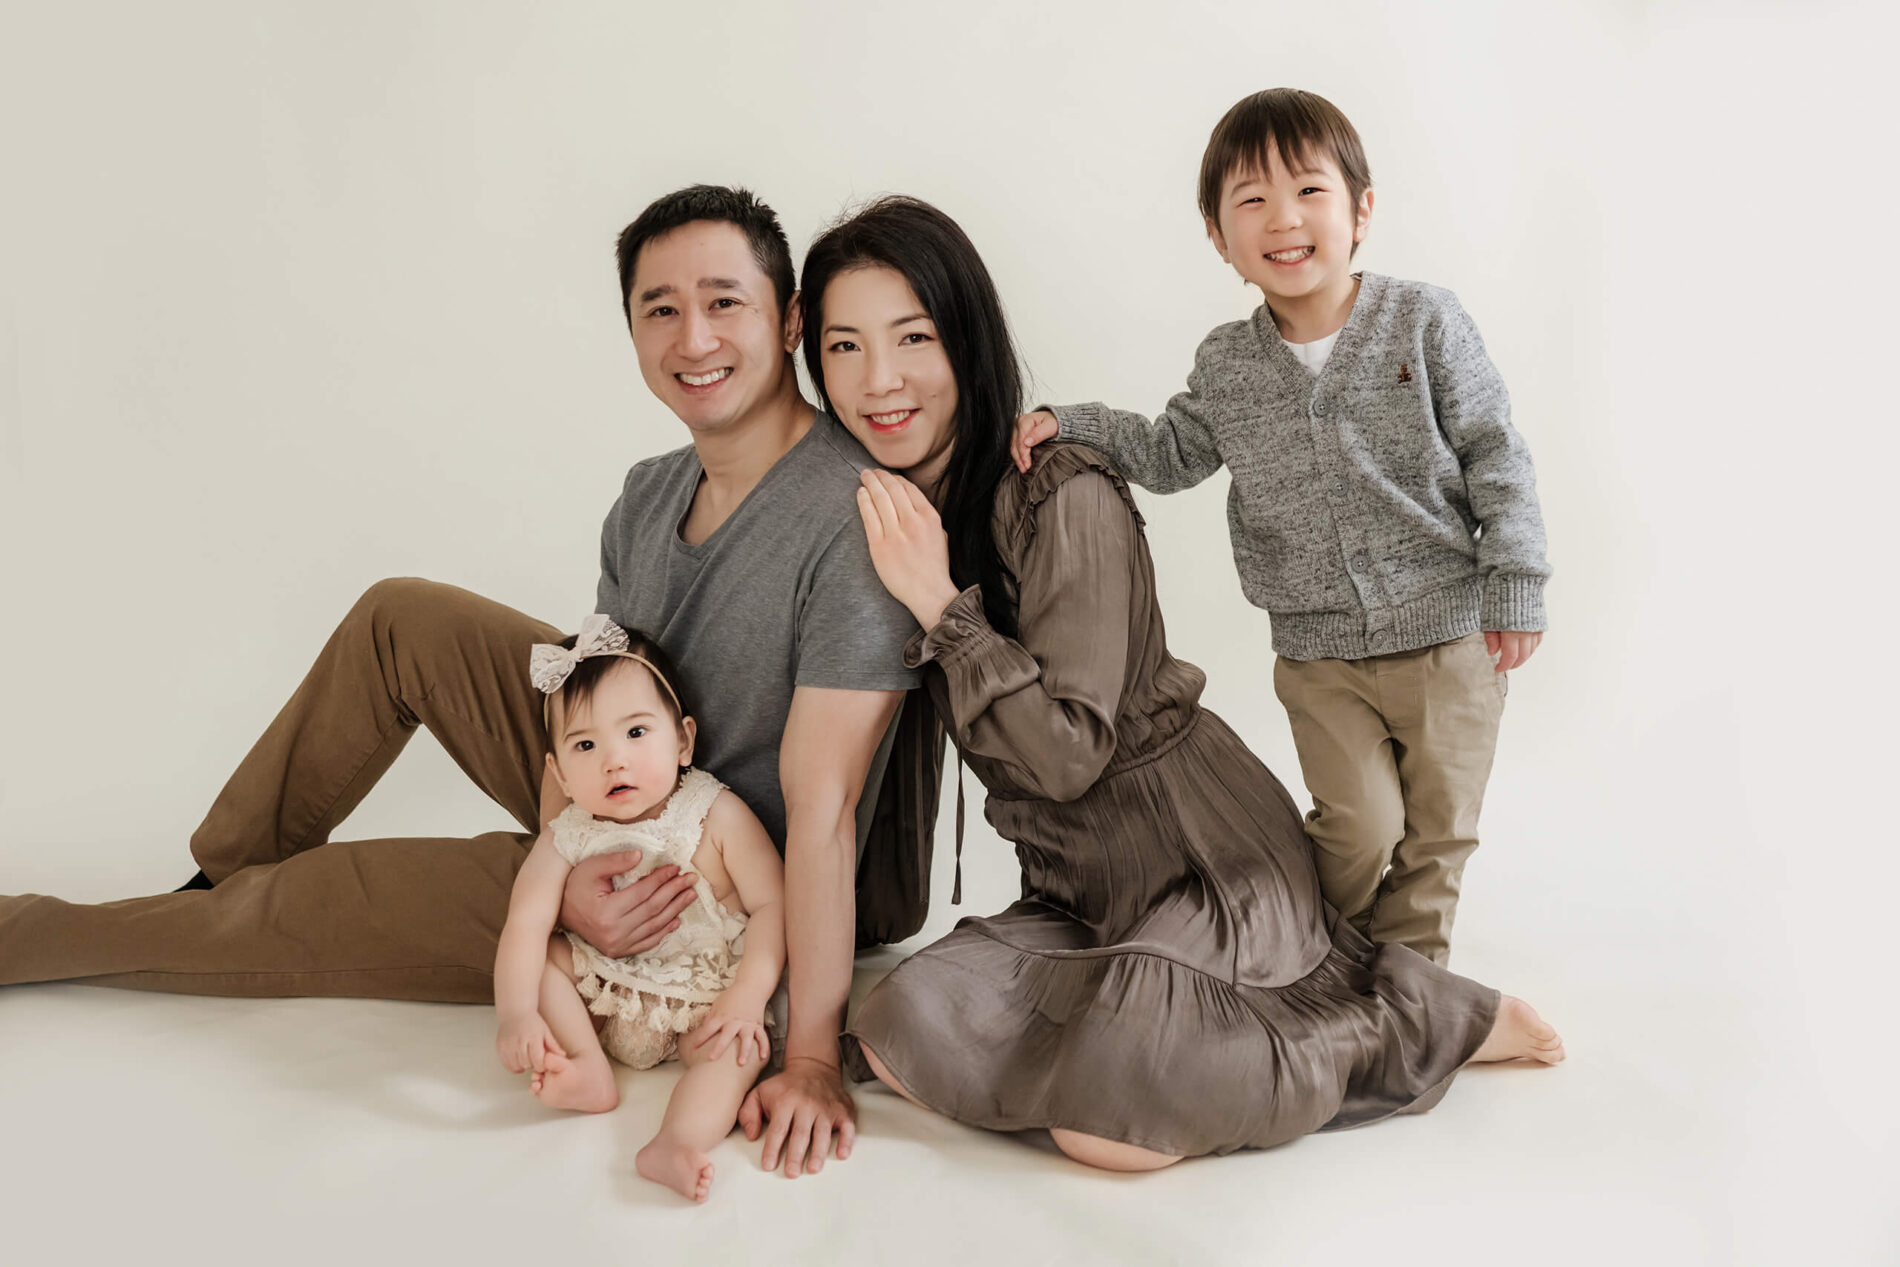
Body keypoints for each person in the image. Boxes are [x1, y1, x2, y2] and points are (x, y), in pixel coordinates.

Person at [0, 186, 937, 1178]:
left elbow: (826, 814)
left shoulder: (853, 518)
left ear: (788, 319)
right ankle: (213, 877)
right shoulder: (647, 494)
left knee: (318, 905)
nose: (692, 336)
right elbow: (591, 694)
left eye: (723, 301)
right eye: (660, 308)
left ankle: (35, 935)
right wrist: (563, 871)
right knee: (400, 614)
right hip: (628, 782)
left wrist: (805, 1056)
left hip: (716, 886)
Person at [798, 194, 1562, 1170]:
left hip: (1205, 860)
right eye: (843, 347)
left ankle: (1410, 1017)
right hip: (1076, 891)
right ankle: (1131, 1035)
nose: (880, 380)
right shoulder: (904, 514)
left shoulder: (1058, 489)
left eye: (913, 337)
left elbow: (1068, 758)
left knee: (1108, 1129)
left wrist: (943, 610)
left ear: (969, 342)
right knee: (899, 1021)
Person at [1012, 88, 1552, 966]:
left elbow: (1498, 454)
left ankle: (1408, 986)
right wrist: (1075, 423)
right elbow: (1172, 449)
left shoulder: (1425, 322)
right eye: (1251, 200)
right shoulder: (1228, 363)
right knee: (1359, 828)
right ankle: (1308, 952)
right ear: (1221, 240)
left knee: (1440, 831)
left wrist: (1516, 584)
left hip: (1451, 637)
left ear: (1361, 211)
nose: (1284, 218)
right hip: (1320, 655)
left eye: (1309, 191)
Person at [495, 616, 783, 1203]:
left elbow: (774, 906)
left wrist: (747, 996)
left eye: (635, 733)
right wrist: (517, 1014)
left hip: (704, 999)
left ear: (682, 741)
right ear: (559, 774)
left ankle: (675, 1142)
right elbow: (522, 925)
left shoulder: (715, 813)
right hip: (608, 994)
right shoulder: (566, 835)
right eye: (585, 745)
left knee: (737, 1051)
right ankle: (585, 1067)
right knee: (546, 954)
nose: (614, 761)